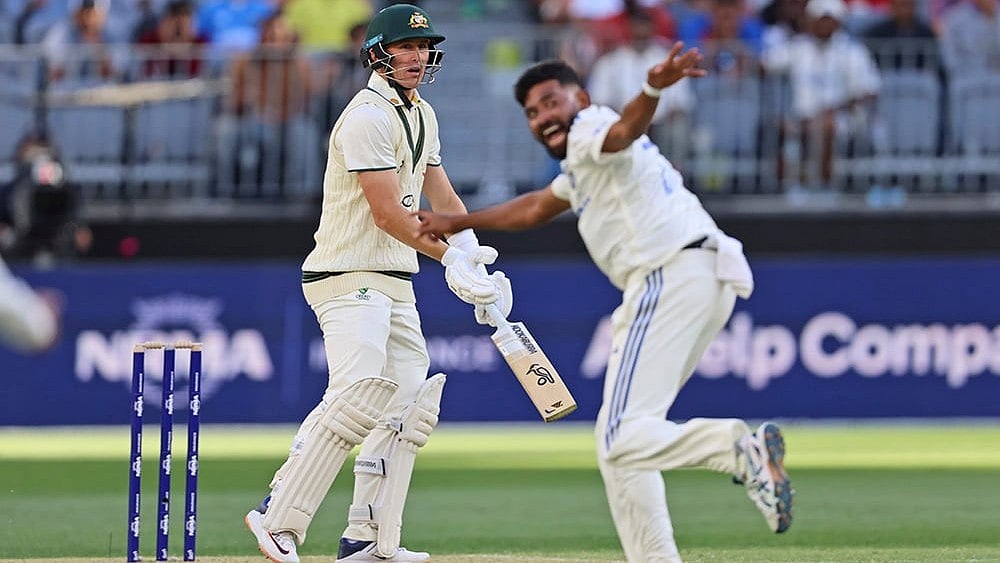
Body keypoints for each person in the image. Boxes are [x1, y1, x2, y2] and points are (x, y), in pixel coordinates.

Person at [414, 47, 794, 562]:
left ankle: (737, 450)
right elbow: (535, 207)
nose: (543, 117)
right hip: (697, 274)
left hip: (669, 273)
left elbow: (624, 131)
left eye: (550, 101)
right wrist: (455, 222)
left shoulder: (595, 126)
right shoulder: (581, 165)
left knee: (619, 437)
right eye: (531, 112)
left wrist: (654, 89)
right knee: (621, 448)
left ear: (582, 98)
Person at [244, 4, 508, 563]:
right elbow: (388, 214)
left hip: (395, 278)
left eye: (423, 48)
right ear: (377, 54)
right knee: (357, 395)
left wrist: (468, 254)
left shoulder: (422, 114)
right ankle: (278, 516)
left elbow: (443, 197)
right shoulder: (366, 116)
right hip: (347, 273)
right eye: (404, 48)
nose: (416, 57)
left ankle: (367, 539)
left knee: (409, 406)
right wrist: (447, 260)